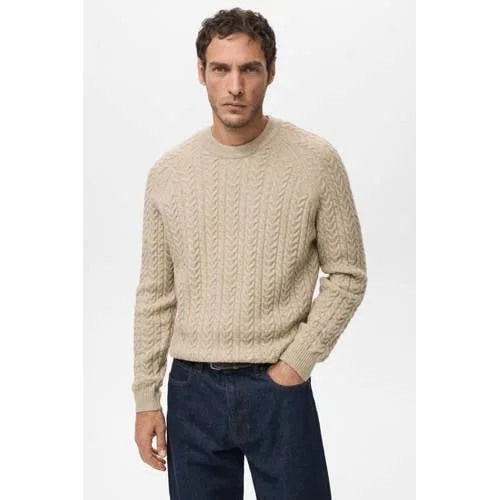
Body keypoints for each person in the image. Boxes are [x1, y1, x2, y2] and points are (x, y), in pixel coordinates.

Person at [132, 7, 367, 499]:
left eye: (249, 69)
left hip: (279, 388)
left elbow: (348, 274)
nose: (235, 86)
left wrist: (296, 362)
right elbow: (156, 293)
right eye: (221, 69)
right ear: (201, 72)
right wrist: (146, 397)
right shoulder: (168, 174)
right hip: (192, 393)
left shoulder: (316, 162)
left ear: (271, 71)